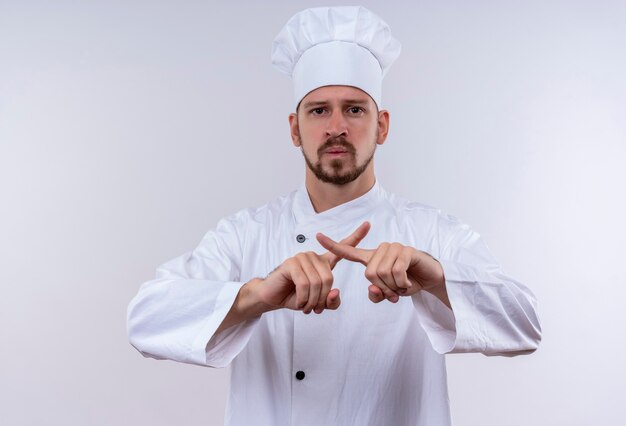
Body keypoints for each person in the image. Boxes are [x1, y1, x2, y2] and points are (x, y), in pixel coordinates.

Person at [127, 6, 541, 426]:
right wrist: (254, 297)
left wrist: (435, 279)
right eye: (319, 110)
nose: (336, 126)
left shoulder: (432, 232)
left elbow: (525, 326)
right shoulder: (245, 234)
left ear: (382, 126)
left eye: (355, 109)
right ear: (295, 129)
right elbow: (144, 319)